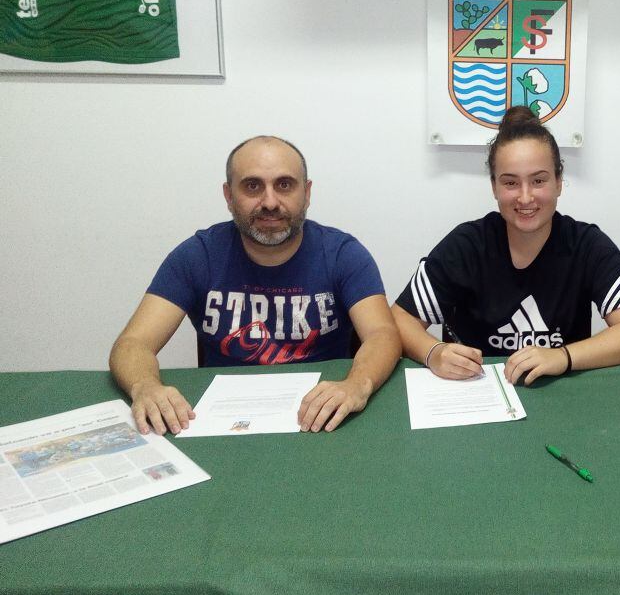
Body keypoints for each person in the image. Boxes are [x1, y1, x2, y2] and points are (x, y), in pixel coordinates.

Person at [109, 136, 401, 435]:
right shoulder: (197, 255)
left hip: (321, 419)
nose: (270, 202)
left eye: (285, 185)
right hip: (221, 423)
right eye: (252, 186)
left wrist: (356, 385)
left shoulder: (343, 254)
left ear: (307, 192)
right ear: (228, 195)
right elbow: (133, 343)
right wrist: (144, 386)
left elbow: (382, 334)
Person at [391, 106, 620, 385]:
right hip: (477, 398)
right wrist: (433, 352)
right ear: (494, 187)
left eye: (539, 180)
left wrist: (562, 356)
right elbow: (398, 320)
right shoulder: (466, 246)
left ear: (559, 182)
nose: (526, 197)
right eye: (510, 183)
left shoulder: (586, 245)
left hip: (561, 398)